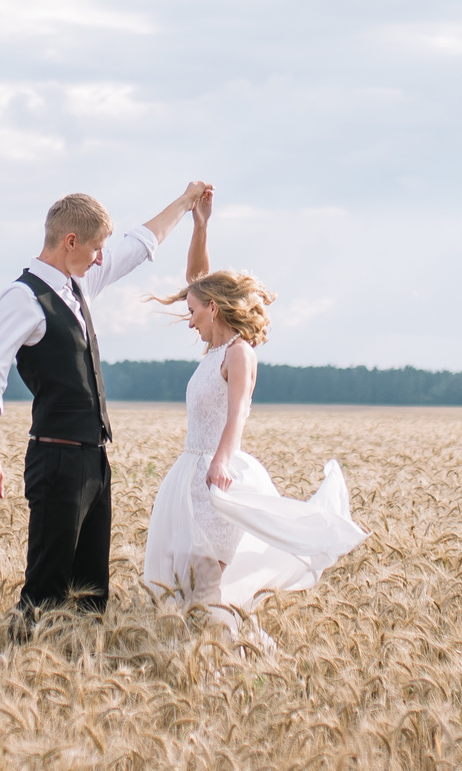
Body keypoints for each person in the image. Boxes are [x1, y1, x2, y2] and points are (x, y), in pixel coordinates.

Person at [0, 180, 210, 624]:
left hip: (95, 462)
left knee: (90, 598)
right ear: (71, 241)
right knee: (45, 595)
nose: (102, 257)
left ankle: (79, 677)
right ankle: (24, 676)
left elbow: (139, 245)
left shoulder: (78, 283)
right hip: (56, 460)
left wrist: (186, 203)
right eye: (97, 248)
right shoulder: (23, 298)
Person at [141, 190, 366, 622]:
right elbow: (196, 276)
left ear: (213, 308)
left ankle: (227, 662)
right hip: (188, 478)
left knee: (203, 585)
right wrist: (200, 224)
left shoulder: (238, 354)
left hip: (216, 479)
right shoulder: (212, 350)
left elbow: (239, 410)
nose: (188, 320)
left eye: (192, 312)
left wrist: (222, 461)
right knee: (180, 586)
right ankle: (198, 664)